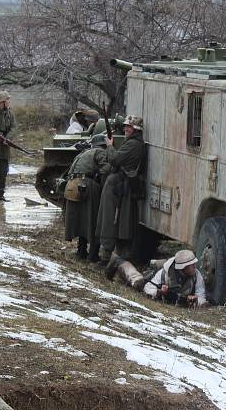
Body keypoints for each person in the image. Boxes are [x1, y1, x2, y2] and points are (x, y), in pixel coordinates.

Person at [94, 115, 145, 265]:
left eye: (129, 127)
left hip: (119, 186)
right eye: (126, 126)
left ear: (136, 129)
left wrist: (110, 146)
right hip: (120, 185)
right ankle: (118, 257)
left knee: (111, 220)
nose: (125, 129)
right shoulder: (132, 143)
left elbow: (115, 159)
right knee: (117, 221)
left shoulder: (134, 144)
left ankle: (107, 257)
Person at [64, 133, 111, 261]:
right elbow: (106, 169)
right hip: (88, 185)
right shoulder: (100, 152)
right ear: (102, 145)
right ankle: (93, 254)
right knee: (94, 219)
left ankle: (81, 250)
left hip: (72, 186)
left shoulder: (83, 153)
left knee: (80, 220)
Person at [106, 249, 208, 308]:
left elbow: (201, 296)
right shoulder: (165, 273)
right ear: (183, 267)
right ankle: (118, 261)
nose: (195, 265)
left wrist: (196, 300)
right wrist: (159, 292)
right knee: (136, 281)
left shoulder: (196, 275)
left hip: (174, 297)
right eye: (191, 264)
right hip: (152, 277)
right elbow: (148, 288)